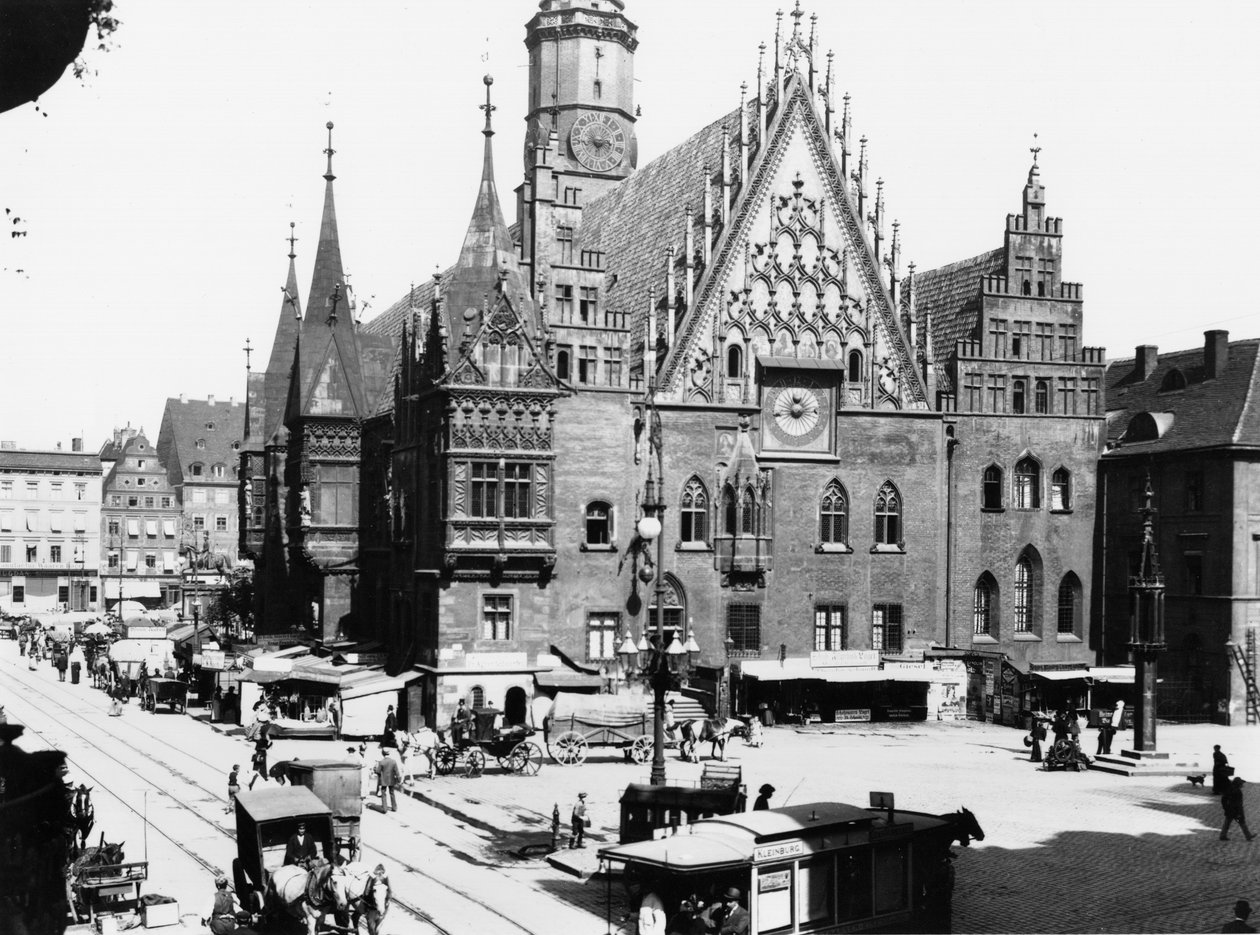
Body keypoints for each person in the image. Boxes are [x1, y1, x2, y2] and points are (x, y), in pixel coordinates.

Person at [1220, 777, 1255, 841]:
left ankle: (1223, 835)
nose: (1242, 785)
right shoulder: (1238, 792)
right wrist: (1239, 813)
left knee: (1227, 823)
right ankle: (1248, 836)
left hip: (1230, 810)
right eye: (1241, 784)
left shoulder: (1229, 789)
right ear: (1238, 784)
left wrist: (1226, 808)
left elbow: (1223, 799)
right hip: (1236, 811)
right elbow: (1238, 804)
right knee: (1242, 823)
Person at [362, 864, 390, 935]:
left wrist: (386, 901)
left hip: (381, 904)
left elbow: (389, 892)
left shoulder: (385, 879)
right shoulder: (372, 878)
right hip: (371, 906)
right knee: (372, 928)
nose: (379, 873)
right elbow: (366, 892)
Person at [377, 745, 401, 812]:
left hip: (384, 780)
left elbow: (378, 771)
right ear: (389, 753)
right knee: (392, 793)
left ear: (382, 753)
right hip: (391, 780)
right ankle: (394, 807)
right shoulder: (393, 761)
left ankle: (384, 809)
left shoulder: (381, 762)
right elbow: (397, 771)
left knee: (383, 793)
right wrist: (399, 779)